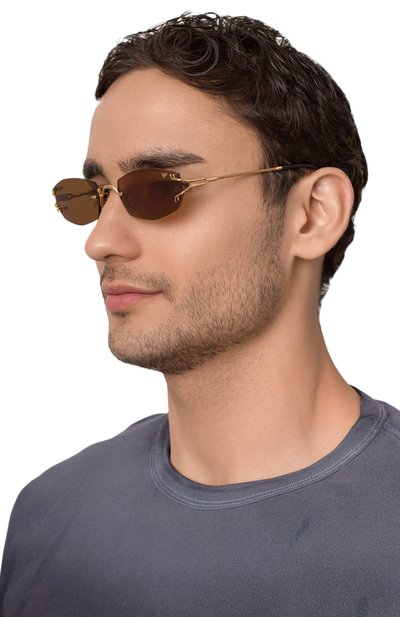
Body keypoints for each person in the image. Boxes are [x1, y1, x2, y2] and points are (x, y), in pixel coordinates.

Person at [1, 11, 399, 616]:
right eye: (93, 198)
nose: (100, 242)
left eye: (159, 188)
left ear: (313, 214)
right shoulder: (48, 517)